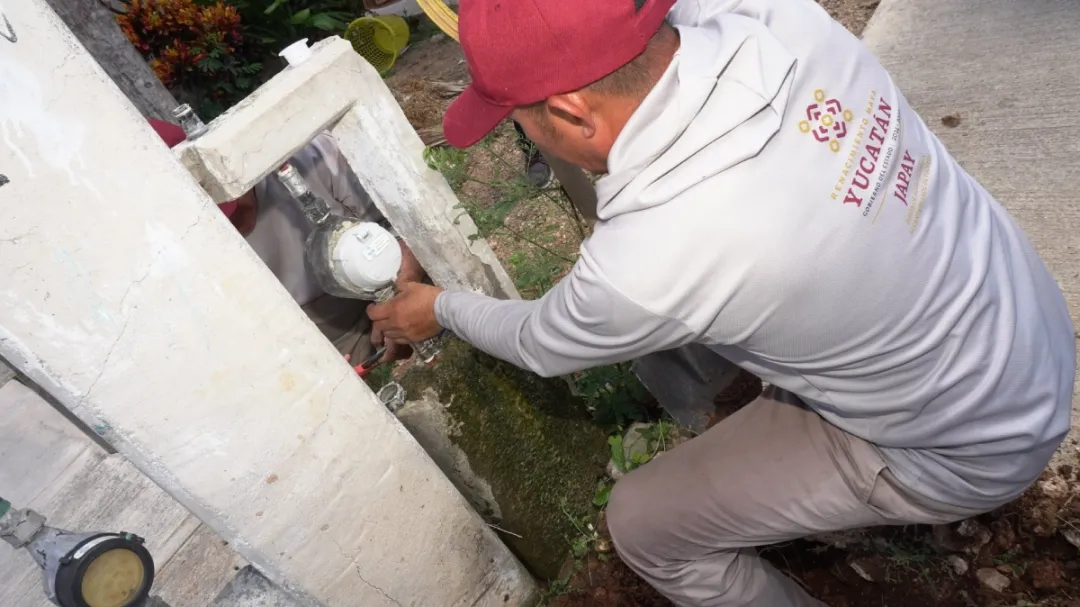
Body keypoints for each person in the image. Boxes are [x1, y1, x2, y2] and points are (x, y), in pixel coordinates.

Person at [368, 0, 1076, 604]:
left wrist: (438, 308)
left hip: (966, 447)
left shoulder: (651, 260)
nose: (517, 131)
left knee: (643, 523)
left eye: (518, 119)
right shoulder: (784, 19)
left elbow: (538, 342)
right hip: (1034, 334)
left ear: (570, 111)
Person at [150, 120, 425, 367]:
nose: (237, 221)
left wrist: (405, 288)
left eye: (232, 204)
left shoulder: (306, 156)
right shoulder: (178, 257)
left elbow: (408, 221)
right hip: (311, 334)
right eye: (216, 220)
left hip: (390, 277)